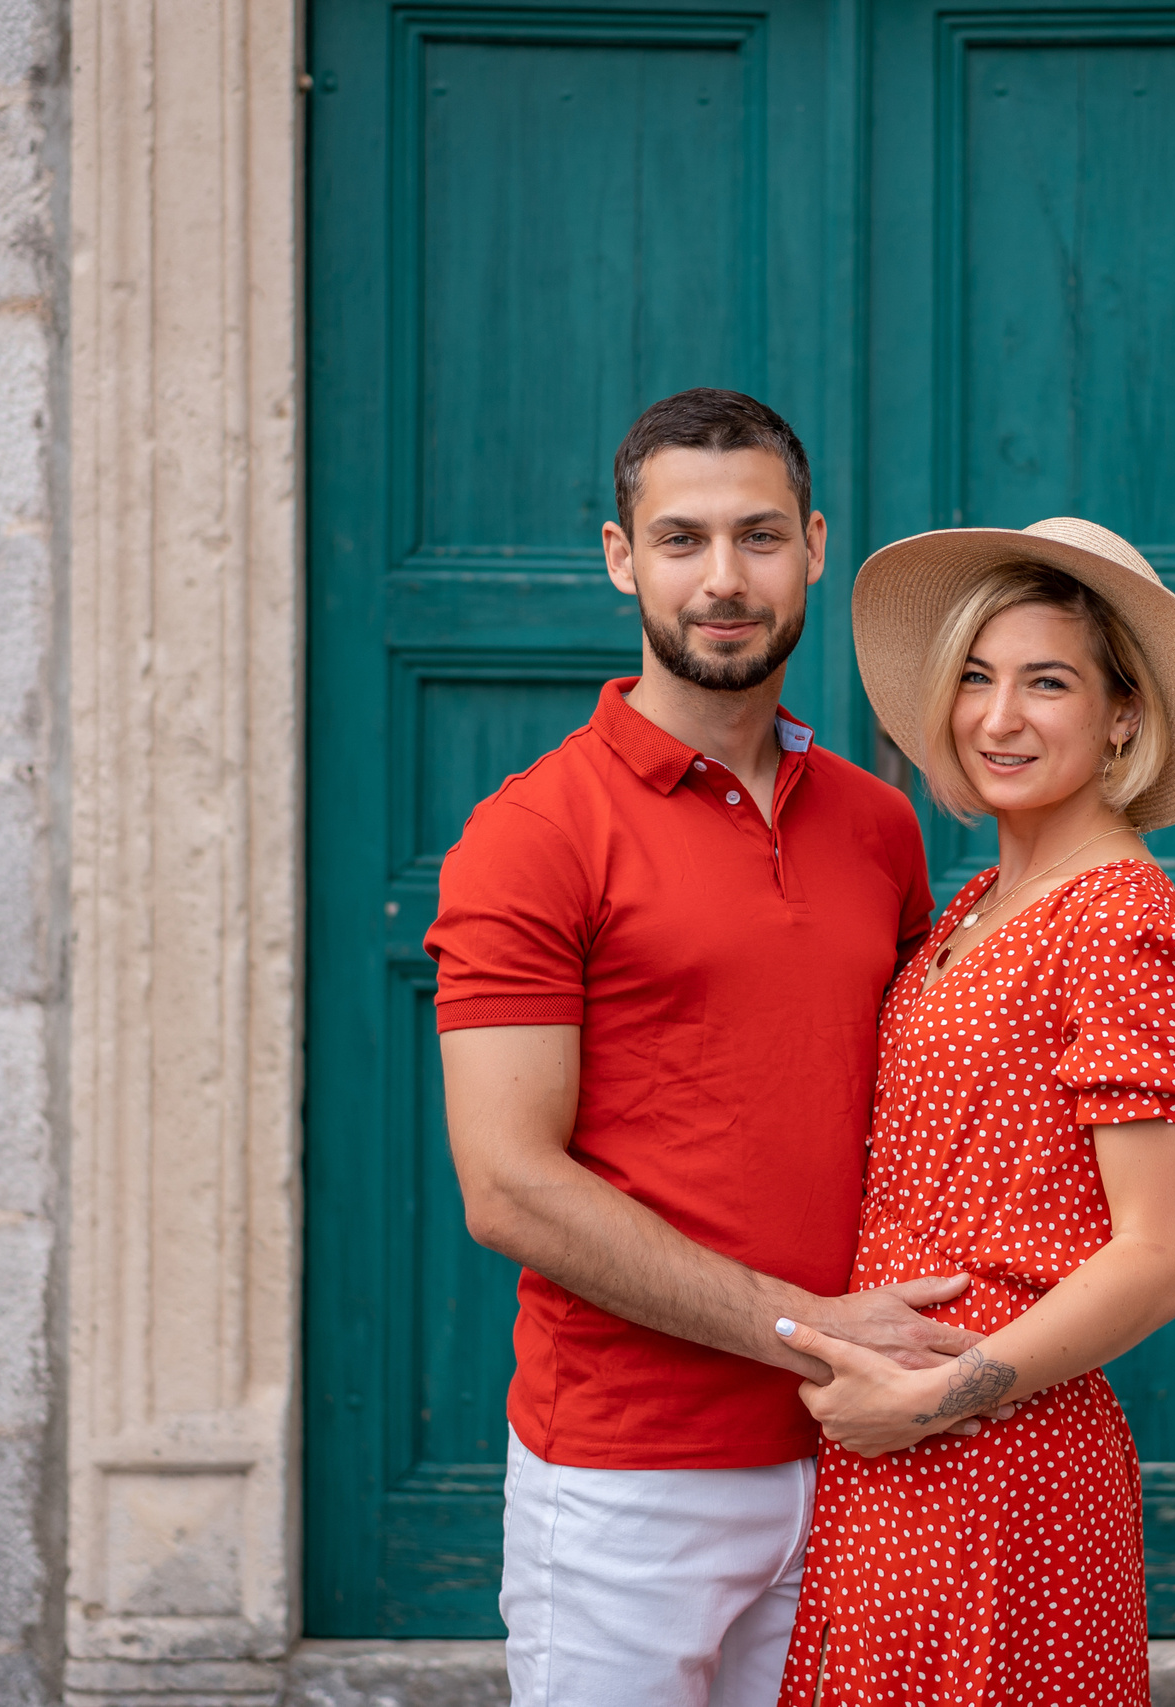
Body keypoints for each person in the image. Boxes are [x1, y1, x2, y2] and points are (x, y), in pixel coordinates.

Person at [426, 390, 995, 1706]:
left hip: (862, 1449)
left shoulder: (877, 825)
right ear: (622, 558)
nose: (724, 578)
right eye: (680, 540)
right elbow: (507, 1182)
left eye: (757, 536)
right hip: (632, 1476)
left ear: (814, 545)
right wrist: (808, 1329)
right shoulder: (534, 833)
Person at [770, 518, 1175, 1706]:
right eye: (975, 678)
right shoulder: (979, 901)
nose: (998, 717)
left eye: (1047, 682)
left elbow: (1162, 1257)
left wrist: (929, 1399)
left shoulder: (1121, 923)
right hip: (895, 1461)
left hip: (1001, 1460)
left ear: (1123, 714)